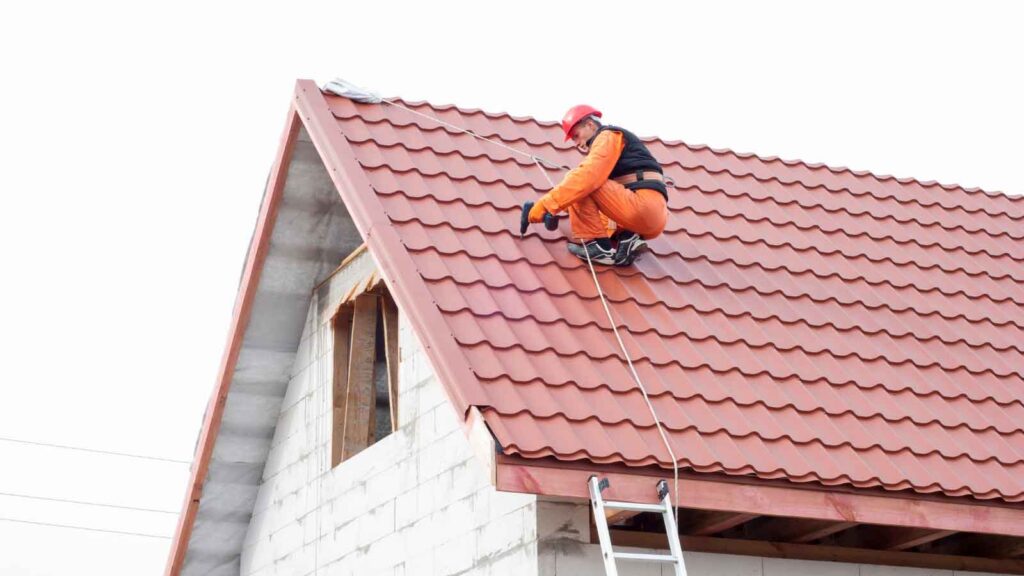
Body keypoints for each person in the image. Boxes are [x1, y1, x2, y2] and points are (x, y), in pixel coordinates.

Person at [521, 105, 669, 266]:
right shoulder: (618, 146)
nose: (576, 143)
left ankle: (597, 247)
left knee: (579, 179)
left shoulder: (607, 136)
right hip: (653, 219)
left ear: (590, 125)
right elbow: (605, 197)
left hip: (640, 208)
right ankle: (627, 238)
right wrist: (558, 210)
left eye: (576, 136)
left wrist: (543, 207)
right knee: (583, 185)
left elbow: (585, 179)